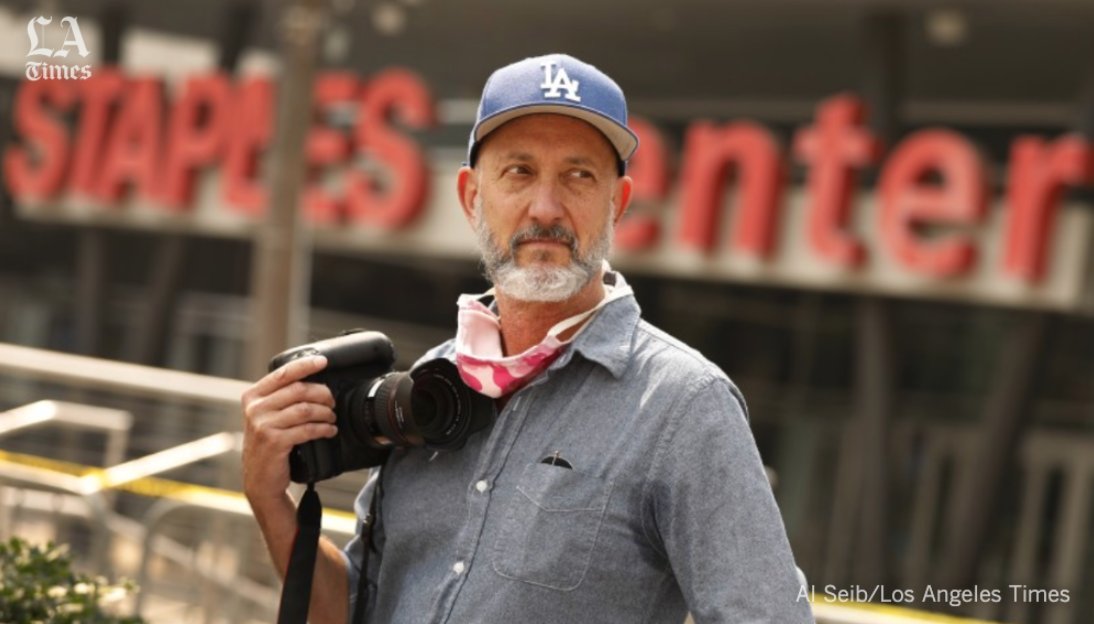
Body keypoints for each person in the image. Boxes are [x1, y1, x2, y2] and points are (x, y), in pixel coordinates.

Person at [242, 53, 813, 624]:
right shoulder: (429, 391)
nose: (546, 208)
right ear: (471, 197)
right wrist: (271, 504)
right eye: (519, 172)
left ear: (618, 202)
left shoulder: (684, 406)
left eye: (579, 175)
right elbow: (348, 612)